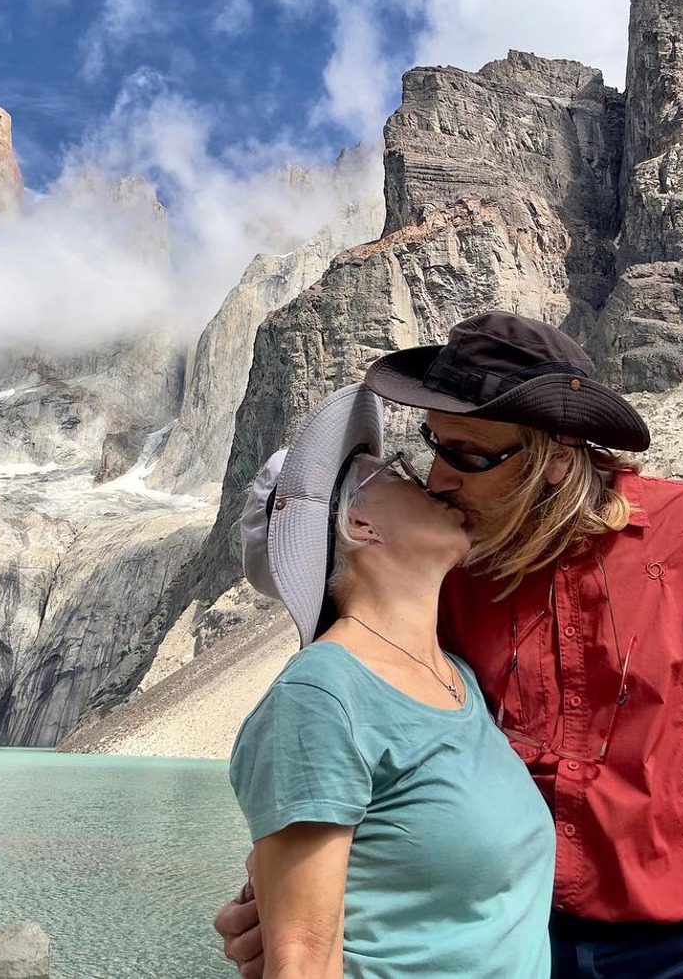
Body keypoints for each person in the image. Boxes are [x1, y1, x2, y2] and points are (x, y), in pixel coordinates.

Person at [217, 312, 683, 979]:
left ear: (558, 457)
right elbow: (371, 771)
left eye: (470, 454)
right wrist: (280, 904)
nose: (438, 479)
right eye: (434, 443)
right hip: (509, 950)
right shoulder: (443, 578)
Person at [228, 383, 556, 978]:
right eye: (396, 472)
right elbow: (303, 960)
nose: (431, 479)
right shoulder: (321, 695)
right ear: (360, 524)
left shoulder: (454, 677)